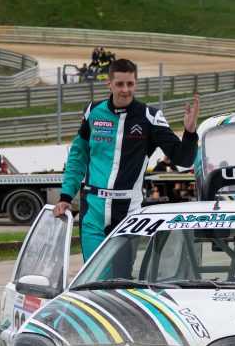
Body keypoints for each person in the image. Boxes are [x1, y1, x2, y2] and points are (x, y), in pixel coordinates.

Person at [53, 59, 201, 260]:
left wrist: (190, 132)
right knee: (92, 274)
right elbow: (78, 156)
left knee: (119, 277)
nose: (125, 90)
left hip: (128, 210)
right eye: (120, 84)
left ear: (136, 84)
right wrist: (65, 197)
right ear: (109, 84)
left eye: (130, 84)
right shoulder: (93, 112)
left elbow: (183, 158)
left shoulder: (151, 117)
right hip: (93, 208)